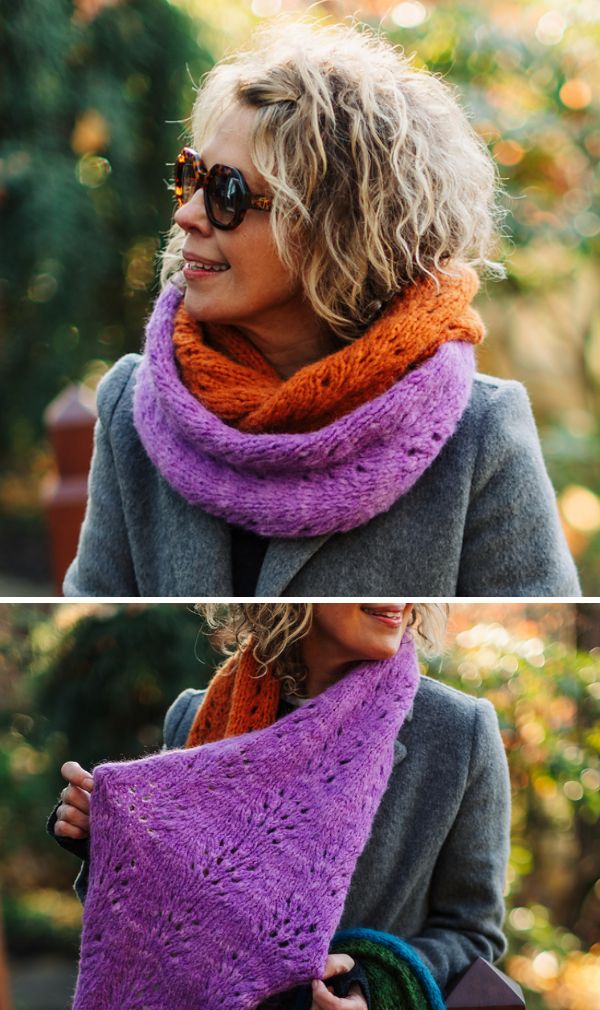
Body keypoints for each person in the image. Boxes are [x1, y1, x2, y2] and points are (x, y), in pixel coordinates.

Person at [62, 19, 580, 599]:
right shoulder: (133, 406)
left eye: (228, 192)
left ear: (339, 228)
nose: (187, 215)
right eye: (191, 178)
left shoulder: (480, 431)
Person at [47, 601, 511, 1010]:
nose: (398, 593)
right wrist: (104, 845)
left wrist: (372, 985)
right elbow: (163, 924)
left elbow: (474, 931)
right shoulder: (199, 717)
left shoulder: (457, 734)